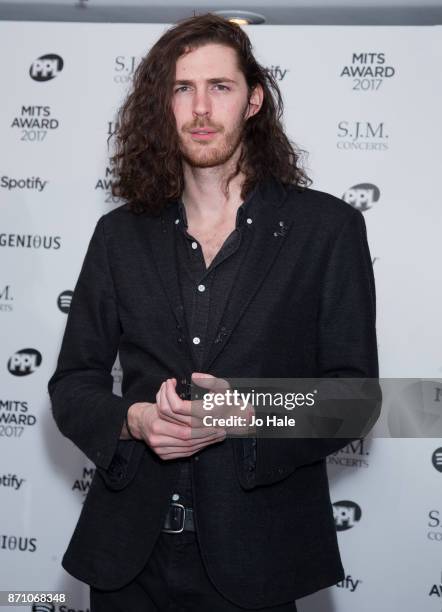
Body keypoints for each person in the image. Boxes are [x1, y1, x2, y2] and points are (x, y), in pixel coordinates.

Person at [47, 13, 379, 612]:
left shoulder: (326, 230)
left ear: (253, 100)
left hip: (260, 565)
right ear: (162, 105)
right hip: (127, 565)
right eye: (182, 89)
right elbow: (73, 385)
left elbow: (356, 399)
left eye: (219, 87)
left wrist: (243, 412)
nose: (200, 109)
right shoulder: (119, 235)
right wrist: (137, 420)